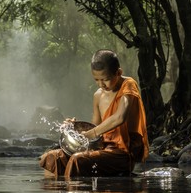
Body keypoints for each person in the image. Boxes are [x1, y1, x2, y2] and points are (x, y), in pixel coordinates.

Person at [39, 49, 149, 178]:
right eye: (96, 80)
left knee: (77, 159)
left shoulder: (128, 85)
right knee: (52, 157)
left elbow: (120, 117)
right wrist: (75, 127)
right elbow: (94, 128)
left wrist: (92, 133)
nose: (101, 84)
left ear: (118, 73)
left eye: (105, 79)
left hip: (121, 153)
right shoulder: (98, 95)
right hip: (101, 149)